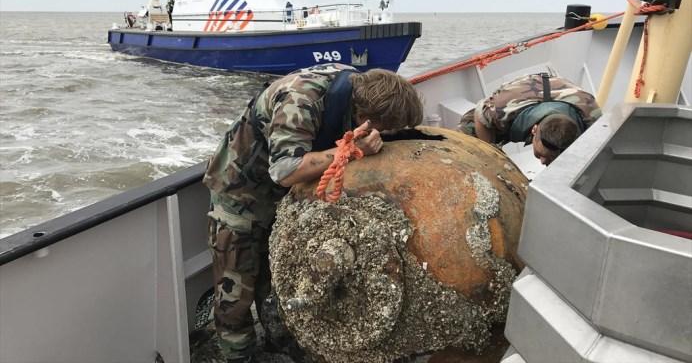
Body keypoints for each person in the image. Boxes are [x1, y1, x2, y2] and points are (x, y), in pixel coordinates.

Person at [200, 63, 423, 362]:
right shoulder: (300, 99)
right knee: (235, 288)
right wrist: (353, 150)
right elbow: (284, 170)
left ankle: (281, 344)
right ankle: (237, 355)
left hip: (281, 198)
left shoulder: (354, 87)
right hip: (241, 191)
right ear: (365, 118)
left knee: (277, 276)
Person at [458, 72, 601, 165]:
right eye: (540, 155)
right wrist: (490, 156)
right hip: (516, 104)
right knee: (460, 143)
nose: (542, 161)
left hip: (560, 101)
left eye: (550, 158)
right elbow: (480, 115)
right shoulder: (502, 108)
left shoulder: (591, 118)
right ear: (534, 130)